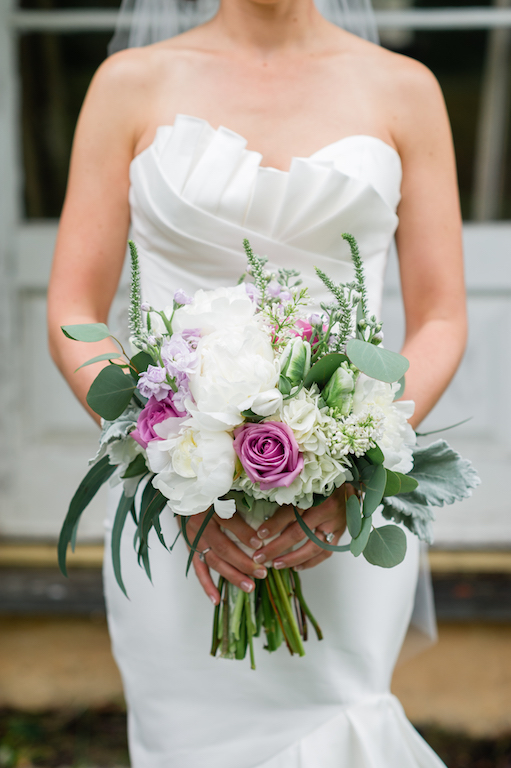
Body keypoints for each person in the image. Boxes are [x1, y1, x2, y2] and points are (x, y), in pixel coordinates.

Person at [47, 1, 467, 765]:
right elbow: (74, 308)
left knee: (342, 722)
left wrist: (354, 465)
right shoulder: (127, 84)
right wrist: (173, 472)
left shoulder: (404, 89)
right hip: (175, 506)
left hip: (340, 522)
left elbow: (440, 316)